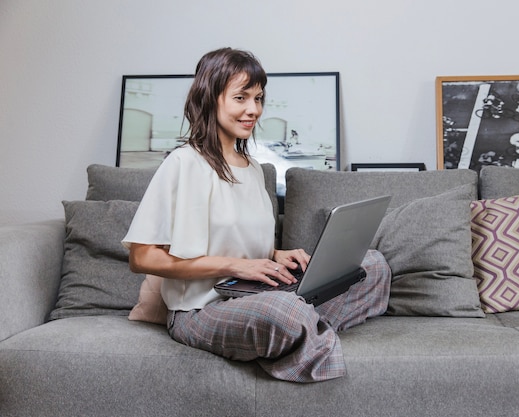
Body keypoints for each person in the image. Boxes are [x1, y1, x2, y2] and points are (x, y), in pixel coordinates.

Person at [121, 47, 391, 383]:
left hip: (254, 294)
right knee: (284, 312)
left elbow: (240, 240)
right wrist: (234, 266)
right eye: (241, 98)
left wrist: (278, 255)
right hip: (201, 310)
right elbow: (141, 258)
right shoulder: (182, 163)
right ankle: (298, 328)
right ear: (210, 99)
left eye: (258, 98)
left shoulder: (252, 169)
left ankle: (298, 332)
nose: (254, 110)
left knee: (372, 265)